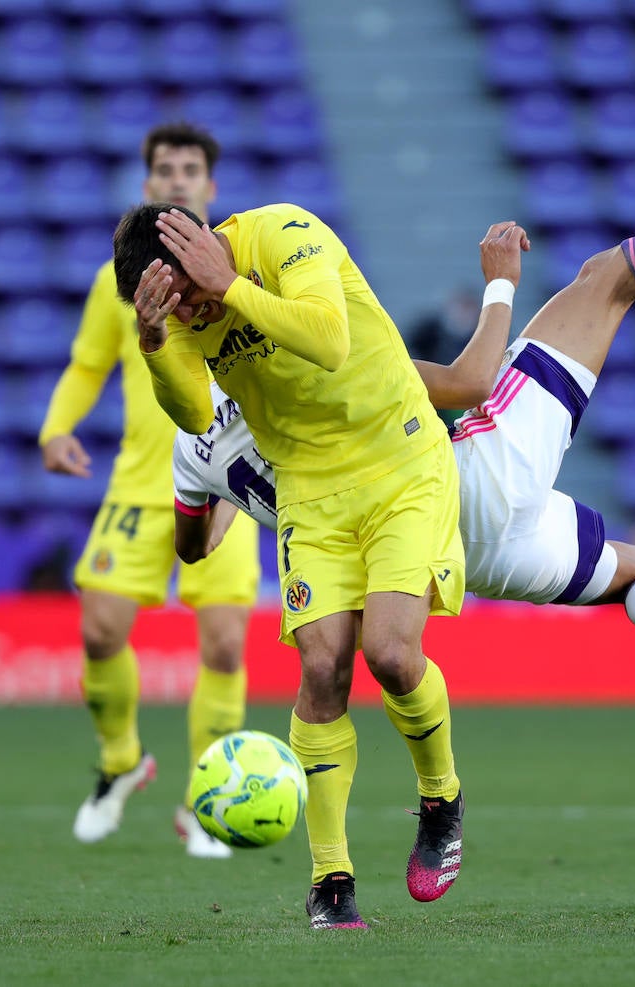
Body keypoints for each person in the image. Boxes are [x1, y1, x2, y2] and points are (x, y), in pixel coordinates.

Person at [167, 65, 635, 689]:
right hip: (458, 487)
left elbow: (194, 547)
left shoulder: (193, 448)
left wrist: (231, 491)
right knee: (608, 279)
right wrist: (501, 285)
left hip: (463, 562)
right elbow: (471, 383)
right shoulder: (315, 366)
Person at [114, 198, 468, 930]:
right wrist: (154, 341)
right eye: (172, 307)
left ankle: (442, 797)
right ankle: (329, 879)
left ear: (205, 245)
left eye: (186, 295)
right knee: (321, 670)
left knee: (393, 655)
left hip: (398, 456)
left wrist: (232, 285)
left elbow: (331, 340)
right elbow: (188, 413)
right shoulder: (177, 313)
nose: (192, 313)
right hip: (309, 485)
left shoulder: (283, 232)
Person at [38, 122, 261, 860]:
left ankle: (208, 799)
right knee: (99, 629)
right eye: (164, 169)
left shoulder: (236, 272)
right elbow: (84, 363)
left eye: (190, 168)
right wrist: (56, 428)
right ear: (146, 186)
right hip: (140, 485)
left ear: (210, 187)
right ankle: (120, 761)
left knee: (226, 644)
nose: (177, 179)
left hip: (227, 479)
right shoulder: (117, 280)